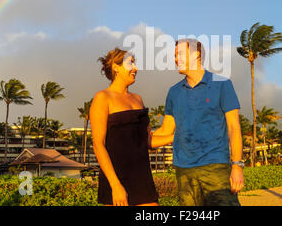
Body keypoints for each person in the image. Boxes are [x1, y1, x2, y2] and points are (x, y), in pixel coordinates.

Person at [153, 39, 244, 206]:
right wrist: (134, 138)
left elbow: (233, 127)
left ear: (196, 55)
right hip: (184, 171)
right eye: (174, 55)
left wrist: (237, 166)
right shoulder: (173, 92)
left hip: (216, 166)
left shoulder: (222, 83)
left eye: (179, 54)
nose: (175, 59)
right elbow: (166, 130)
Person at [90, 48, 174, 206]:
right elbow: (98, 145)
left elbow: (147, 141)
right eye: (131, 63)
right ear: (116, 67)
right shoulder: (102, 98)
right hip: (115, 178)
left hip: (142, 178)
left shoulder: (138, 99)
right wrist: (115, 185)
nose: (136, 68)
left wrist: (178, 137)